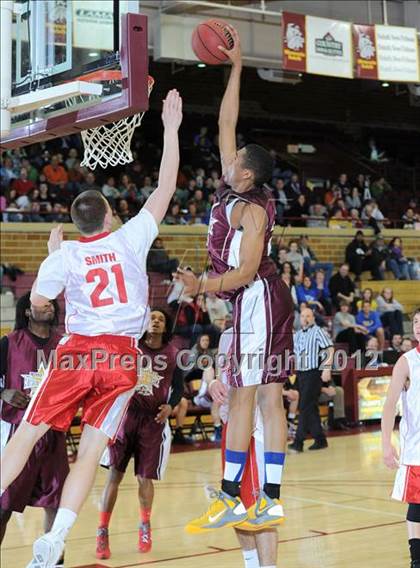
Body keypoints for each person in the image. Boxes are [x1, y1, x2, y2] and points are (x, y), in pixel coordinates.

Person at [0, 89, 183, 567]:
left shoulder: (67, 254)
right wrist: (170, 128)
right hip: (122, 356)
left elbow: (38, 304)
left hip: (78, 351)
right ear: (107, 214)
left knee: (25, 436)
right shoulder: (131, 236)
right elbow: (165, 187)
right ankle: (56, 538)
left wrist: (51, 258)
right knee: (93, 450)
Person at [177, 28, 294, 533]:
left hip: (259, 296)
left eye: (236, 160)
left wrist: (202, 285)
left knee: (250, 395)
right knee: (263, 394)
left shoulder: (252, 210)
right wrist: (237, 68)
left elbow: (245, 271)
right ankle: (266, 497)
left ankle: (234, 496)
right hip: (255, 299)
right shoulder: (236, 182)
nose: (228, 159)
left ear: (247, 176)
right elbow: (228, 119)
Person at [96, 310, 184, 558]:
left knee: (145, 479)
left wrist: (171, 404)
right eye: (151, 318)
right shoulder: (131, 348)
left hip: (152, 422)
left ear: (165, 326)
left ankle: (145, 525)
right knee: (114, 476)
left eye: (160, 319)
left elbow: (178, 387)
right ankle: (102, 530)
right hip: (125, 418)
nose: (155, 321)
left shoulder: (173, 354)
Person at [0, 294, 68, 554]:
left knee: (57, 504)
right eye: (41, 303)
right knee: (3, 506)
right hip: (17, 434)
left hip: (53, 433)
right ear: (27, 312)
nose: (49, 305)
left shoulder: (64, 346)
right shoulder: (9, 343)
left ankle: (52, 561)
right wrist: (3, 392)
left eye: (51, 302)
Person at [209, 329, 280, 567]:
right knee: (235, 502)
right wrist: (213, 383)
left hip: (257, 429)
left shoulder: (270, 331)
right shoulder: (227, 335)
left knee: (262, 507)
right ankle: (251, 563)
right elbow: (221, 376)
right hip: (232, 426)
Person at [382, 309, 420, 568]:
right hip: (416, 449)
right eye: (415, 322)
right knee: (417, 505)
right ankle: (416, 559)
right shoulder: (406, 362)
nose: (418, 326)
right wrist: (386, 443)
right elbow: (389, 405)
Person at [289, 308, 334, 452]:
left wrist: (326, 369)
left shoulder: (318, 331)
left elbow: (329, 349)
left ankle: (298, 442)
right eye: (302, 316)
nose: (305, 318)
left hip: (314, 373)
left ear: (313, 318)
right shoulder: (297, 335)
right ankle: (320, 440)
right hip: (301, 374)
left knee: (304, 406)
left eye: (308, 316)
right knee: (311, 407)